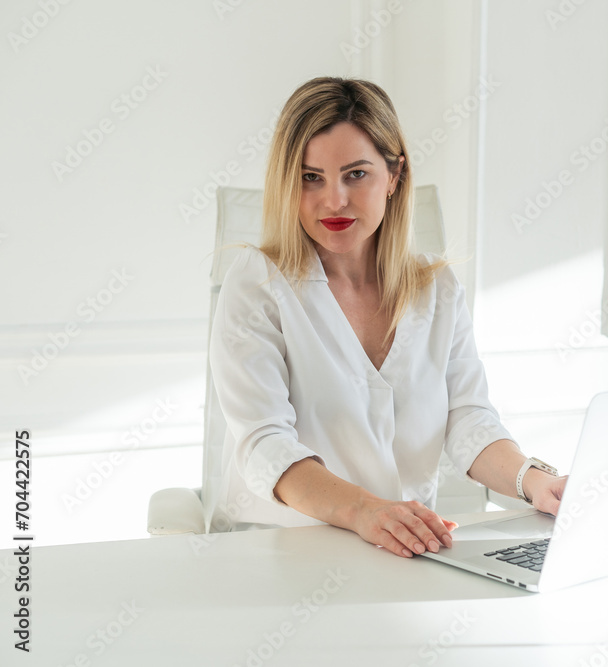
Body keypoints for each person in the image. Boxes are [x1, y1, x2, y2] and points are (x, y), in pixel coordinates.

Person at [206, 77, 566, 559]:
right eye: (310, 177)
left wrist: (534, 481)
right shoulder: (257, 284)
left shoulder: (437, 289)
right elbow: (266, 445)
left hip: (409, 550)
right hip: (286, 553)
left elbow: (467, 419)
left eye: (356, 174)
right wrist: (365, 511)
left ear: (395, 176)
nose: (334, 200)